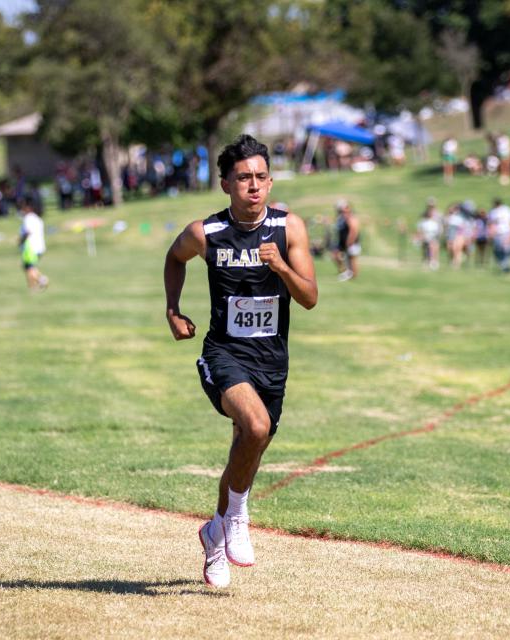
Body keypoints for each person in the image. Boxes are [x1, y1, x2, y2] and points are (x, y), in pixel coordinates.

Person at [163, 134, 318, 589]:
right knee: (254, 427)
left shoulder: (289, 228)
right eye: (244, 178)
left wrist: (283, 269)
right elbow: (175, 257)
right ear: (226, 184)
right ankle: (237, 519)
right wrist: (173, 309)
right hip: (224, 354)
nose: (254, 186)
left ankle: (214, 533)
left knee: (245, 452)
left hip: (272, 360)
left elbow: (308, 298)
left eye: (261, 177)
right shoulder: (205, 233)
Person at [18, 196, 48, 291]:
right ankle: (34, 285)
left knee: (29, 268)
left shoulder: (28, 218)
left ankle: (40, 282)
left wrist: (21, 240)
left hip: (30, 247)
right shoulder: (38, 219)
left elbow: (28, 232)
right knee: (30, 267)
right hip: (39, 246)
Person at [332, 200, 361, 281]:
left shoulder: (351, 218)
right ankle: (345, 272)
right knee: (336, 255)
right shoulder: (341, 218)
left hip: (351, 243)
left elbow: (354, 230)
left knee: (352, 260)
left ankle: (353, 276)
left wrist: (350, 242)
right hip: (342, 243)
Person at [488, 198, 510, 273]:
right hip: (499, 233)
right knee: (499, 250)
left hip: (505, 232)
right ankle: (503, 265)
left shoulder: (506, 210)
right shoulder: (493, 211)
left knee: (506, 250)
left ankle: (506, 265)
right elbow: (491, 224)